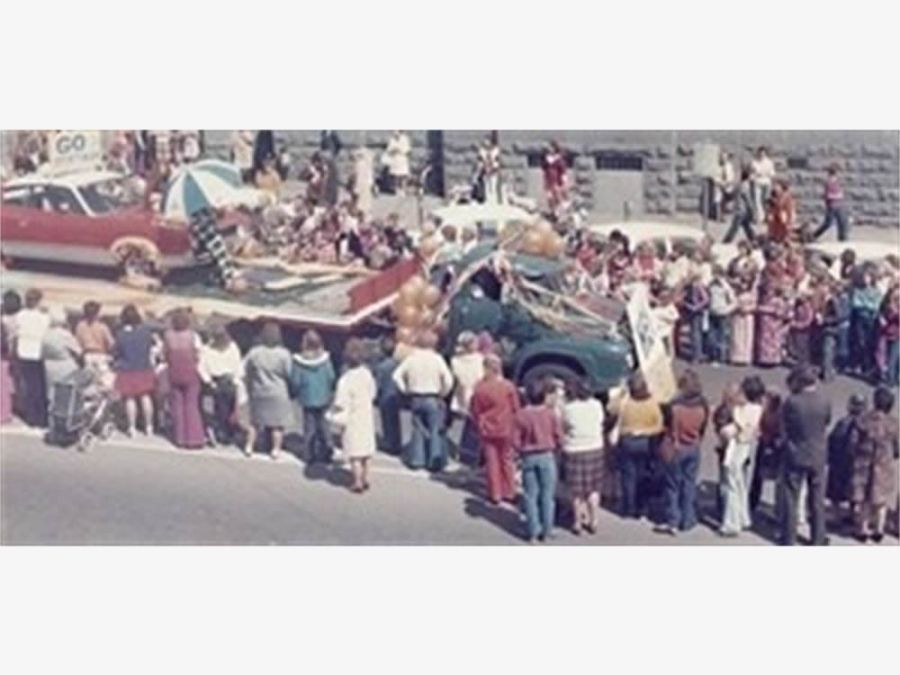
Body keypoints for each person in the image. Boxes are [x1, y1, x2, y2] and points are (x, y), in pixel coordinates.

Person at [780, 365, 832, 546]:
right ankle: (817, 537)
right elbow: (826, 421)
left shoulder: (792, 402)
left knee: (791, 497)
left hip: (796, 452)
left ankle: (788, 537)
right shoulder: (824, 401)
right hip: (818, 453)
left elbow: (785, 425)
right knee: (817, 498)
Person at [392, 330, 454, 472]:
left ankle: (417, 459)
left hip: (416, 397)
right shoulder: (437, 359)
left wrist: (406, 389)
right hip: (433, 397)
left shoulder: (412, 358)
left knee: (418, 429)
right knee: (435, 429)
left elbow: (396, 376)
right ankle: (434, 460)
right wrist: (442, 393)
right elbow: (448, 380)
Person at [656, 370, 708, 535]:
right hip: (693, 446)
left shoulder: (674, 406)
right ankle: (688, 519)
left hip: (676, 446)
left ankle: (673, 520)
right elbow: (704, 427)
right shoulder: (703, 404)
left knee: (672, 486)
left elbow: (666, 425)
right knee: (689, 484)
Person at [513, 379, 564, 543]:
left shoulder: (521, 414)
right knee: (547, 495)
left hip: (528, 456)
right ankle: (547, 529)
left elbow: (514, 439)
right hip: (547, 455)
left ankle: (533, 531)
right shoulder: (550, 414)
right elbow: (559, 436)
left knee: (530, 495)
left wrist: (520, 450)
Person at [610, 371, 664, 519]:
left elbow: (611, 409)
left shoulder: (626, 403)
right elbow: (659, 425)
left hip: (627, 441)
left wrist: (621, 393)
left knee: (628, 477)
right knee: (642, 476)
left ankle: (628, 509)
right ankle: (641, 507)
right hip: (645, 443)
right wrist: (645, 431)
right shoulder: (651, 403)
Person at [850, 387, 899, 543]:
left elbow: (853, 442)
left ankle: (862, 529)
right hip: (884, 465)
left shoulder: (863, 420)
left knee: (864, 499)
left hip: (863, 464)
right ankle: (879, 529)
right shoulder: (894, 424)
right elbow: (898, 446)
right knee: (881, 500)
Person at [469, 353, 521, 504]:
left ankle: (495, 493)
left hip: (487, 428)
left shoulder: (480, 388)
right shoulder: (508, 387)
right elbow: (516, 408)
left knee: (492, 461)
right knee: (507, 459)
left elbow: (475, 409)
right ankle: (509, 491)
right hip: (506, 427)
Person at [719, 376, 765, 537]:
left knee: (731, 485)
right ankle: (744, 517)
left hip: (736, 446)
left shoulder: (741, 410)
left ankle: (732, 523)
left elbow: (730, 431)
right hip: (746, 447)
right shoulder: (758, 409)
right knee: (740, 484)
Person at [558, 377, 605, 534]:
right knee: (593, 489)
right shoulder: (597, 405)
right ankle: (594, 520)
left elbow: (563, 427)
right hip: (594, 448)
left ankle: (577, 522)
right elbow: (601, 422)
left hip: (574, 450)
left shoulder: (568, 408)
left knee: (576, 491)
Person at [331, 338, 377, 493]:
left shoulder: (346, 379)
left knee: (355, 452)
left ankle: (357, 481)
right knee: (366, 450)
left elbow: (341, 400)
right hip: (366, 413)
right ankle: (366, 478)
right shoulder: (367, 374)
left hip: (352, 416)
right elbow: (373, 392)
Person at [199, 323, 252, 455]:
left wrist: (208, 381)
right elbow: (238, 366)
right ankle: (227, 434)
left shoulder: (208, 349)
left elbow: (201, 366)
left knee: (219, 410)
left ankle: (221, 433)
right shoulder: (233, 347)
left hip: (216, 381)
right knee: (229, 409)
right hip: (229, 381)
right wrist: (237, 380)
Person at [244, 322, 294, 460]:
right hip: (278, 392)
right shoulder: (284, 354)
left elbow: (246, 368)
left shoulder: (255, 352)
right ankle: (275, 450)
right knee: (277, 425)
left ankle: (249, 446)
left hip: (258, 391)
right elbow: (289, 373)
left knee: (254, 422)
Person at [291, 330, 336, 464]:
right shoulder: (325, 360)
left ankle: (309, 454)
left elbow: (296, 381)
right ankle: (327, 450)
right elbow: (331, 376)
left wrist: (296, 392)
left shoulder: (299, 361)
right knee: (324, 425)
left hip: (307, 398)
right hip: (324, 397)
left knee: (309, 427)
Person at [162, 310, 205, 449]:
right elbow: (199, 354)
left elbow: (164, 354)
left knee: (177, 405)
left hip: (174, 372)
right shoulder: (193, 336)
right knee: (191, 405)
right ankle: (194, 438)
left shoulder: (168, 336)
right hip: (190, 372)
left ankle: (180, 438)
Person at [112, 305, 157, 436]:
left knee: (129, 399)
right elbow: (152, 345)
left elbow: (116, 352)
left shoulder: (121, 335)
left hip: (127, 369)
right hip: (144, 367)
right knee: (145, 397)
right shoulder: (145, 331)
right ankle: (149, 427)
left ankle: (132, 427)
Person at [13, 289, 51, 428]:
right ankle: (40, 416)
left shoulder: (20, 316)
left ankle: (31, 416)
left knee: (28, 386)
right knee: (40, 386)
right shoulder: (44, 317)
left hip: (23, 352)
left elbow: (16, 335)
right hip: (38, 352)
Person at [826, 394, 866, 524]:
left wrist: (829, 456)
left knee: (836, 490)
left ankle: (836, 515)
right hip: (858, 463)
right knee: (854, 490)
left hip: (842, 461)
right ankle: (852, 513)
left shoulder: (844, 422)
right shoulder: (865, 425)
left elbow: (834, 439)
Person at [449, 331, 484, 464]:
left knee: (468, 425)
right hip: (475, 393)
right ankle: (470, 454)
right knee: (474, 426)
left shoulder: (455, 360)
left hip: (463, 393)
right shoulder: (480, 359)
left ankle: (464, 452)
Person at [41, 308, 82, 407]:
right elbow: (78, 351)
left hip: (49, 365)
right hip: (65, 366)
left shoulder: (46, 334)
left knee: (51, 391)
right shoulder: (65, 335)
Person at [849, 266, 883, 378]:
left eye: (867, 277)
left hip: (871, 321)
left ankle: (868, 366)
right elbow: (855, 304)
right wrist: (867, 304)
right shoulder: (858, 290)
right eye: (864, 277)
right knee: (860, 342)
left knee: (870, 343)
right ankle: (858, 364)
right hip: (860, 319)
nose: (865, 279)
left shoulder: (876, 291)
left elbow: (876, 306)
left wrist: (865, 304)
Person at [373, 335, 403, 455]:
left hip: (385, 396)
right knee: (395, 420)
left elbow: (378, 383)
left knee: (387, 421)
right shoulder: (397, 364)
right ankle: (397, 443)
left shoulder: (381, 367)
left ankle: (390, 443)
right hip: (396, 395)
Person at [74, 301, 114, 385]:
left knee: (89, 383)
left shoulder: (80, 326)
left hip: (87, 356)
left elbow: (77, 343)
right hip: (101, 355)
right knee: (105, 383)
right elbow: (111, 343)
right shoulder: (102, 327)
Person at [820, 281, 851, 382]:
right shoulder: (831, 299)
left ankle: (831, 370)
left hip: (838, 328)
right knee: (827, 350)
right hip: (830, 328)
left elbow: (842, 315)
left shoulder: (843, 300)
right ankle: (826, 372)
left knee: (834, 351)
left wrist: (827, 320)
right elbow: (825, 311)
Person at [812, 164, 849, 242]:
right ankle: (814, 235)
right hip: (832, 206)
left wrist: (840, 196)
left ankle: (842, 238)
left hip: (839, 205)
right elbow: (827, 195)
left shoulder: (838, 182)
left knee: (842, 221)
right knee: (828, 223)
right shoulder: (828, 182)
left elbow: (841, 192)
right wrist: (837, 196)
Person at [706, 268, 736, 364]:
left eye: (716, 274)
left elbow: (734, 301)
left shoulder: (726, 287)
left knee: (721, 336)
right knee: (711, 336)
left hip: (722, 314)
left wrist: (727, 310)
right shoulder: (711, 285)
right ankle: (713, 356)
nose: (714, 276)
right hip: (712, 313)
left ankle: (721, 357)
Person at [755, 285, 789, 367]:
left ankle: (773, 360)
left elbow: (781, 312)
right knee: (764, 341)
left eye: (771, 291)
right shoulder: (764, 299)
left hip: (774, 323)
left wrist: (767, 310)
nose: (769, 293)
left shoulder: (778, 301)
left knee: (773, 341)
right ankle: (764, 359)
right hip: (765, 323)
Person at [680, 273, 709, 363]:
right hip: (691, 311)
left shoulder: (698, 286)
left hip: (697, 312)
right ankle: (697, 354)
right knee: (694, 333)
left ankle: (697, 355)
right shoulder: (690, 287)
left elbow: (706, 299)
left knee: (696, 334)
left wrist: (696, 307)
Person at [722, 166, 756, 243]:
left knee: (746, 226)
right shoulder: (745, 186)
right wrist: (752, 210)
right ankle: (726, 241)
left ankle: (753, 239)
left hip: (739, 209)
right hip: (742, 209)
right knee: (735, 227)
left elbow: (731, 194)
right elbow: (748, 200)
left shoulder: (739, 184)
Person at [877, 285, 900, 386]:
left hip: (897, 334)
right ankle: (883, 374)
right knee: (881, 353)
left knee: (893, 358)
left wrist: (896, 313)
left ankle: (891, 380)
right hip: (885, 332)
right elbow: (880, 312)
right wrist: (881, 319)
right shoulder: (886, 302)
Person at [750, 146, 776, 224]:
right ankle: (759, 218)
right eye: (760, 153)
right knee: (757, 200)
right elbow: (754, 172)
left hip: (766, 183)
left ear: (765, 154)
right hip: (757, 183)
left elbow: (772, 173)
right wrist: (760, 173)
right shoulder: (754, 162)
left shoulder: (769, 162)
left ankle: (766, 217)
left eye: (763, 154)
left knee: (765, 200)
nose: (761, 155)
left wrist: (764, 173)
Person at [766, 179, 795, 243]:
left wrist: (773, 201)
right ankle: (776, 237)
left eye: (777, 186)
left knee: (783, 227)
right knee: (776, 226)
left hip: (784, 213)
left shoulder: (786, 195)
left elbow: (780, 205)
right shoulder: (779, 194)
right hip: (778, 214)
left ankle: (783, 239)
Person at [542, 141, 568, 208]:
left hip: (557, 181)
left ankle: (560, 210)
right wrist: (545, 180)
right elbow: (544, 170)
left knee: (557, 197)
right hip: (549, 181)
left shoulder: (559, 159)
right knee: (549, 197)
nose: (549, 149)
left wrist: (564, 182)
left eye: (550, 147)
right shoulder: (546, 159)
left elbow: (563, 171)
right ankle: (553, 211)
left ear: (554, 148)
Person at [351, 147, 375, 217]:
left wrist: (356, 189)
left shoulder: (360, 165)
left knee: (361, 204)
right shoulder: (367, 165)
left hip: (362, 186)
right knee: (365, 204)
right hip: (365, 186)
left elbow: (358, 178)